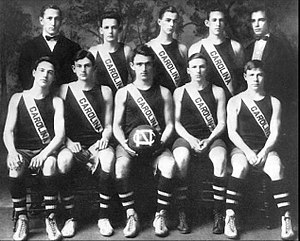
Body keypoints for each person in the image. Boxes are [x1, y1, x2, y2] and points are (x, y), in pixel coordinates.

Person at [224, 60, 295, 240]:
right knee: (239, 167)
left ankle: (286, 218)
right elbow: (232, 133)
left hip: (266, 148)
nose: (256, 78)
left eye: (260, 74)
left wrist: (264, 152)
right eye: (252, 74)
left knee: (277, 168)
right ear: (245, 77)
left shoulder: (274, 102)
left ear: (264, 77)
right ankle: (230, 216)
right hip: (241, 149)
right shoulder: (235, 100)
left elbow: (275, 132)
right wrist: (248, 152)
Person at [3, 56, 72, 241]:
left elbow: (60, 136)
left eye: (50, 72)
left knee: (50, 164)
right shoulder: (18, 98)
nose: (45, 75)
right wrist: (12, 151)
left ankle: (50, 218)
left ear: (54, 78)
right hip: (23, 150)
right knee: (14, 167)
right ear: (34, 73)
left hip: (47, 149)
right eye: (42, 70)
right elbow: (8, 130)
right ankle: (22, 218)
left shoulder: (57, 101)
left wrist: (43, 154)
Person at [113, 45, 176, 238]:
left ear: (153, 66)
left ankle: (160, 215)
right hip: (129, 147)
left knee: (170, 165)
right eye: (139, 64)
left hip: (156, 146)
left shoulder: (164, 92)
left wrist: (161, 144)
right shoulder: (123, 92)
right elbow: (116, 126)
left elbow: (171, 125)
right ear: (132, 66)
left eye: (148, 64)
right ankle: (131, 215)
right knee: (120, 166)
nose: (144, 68)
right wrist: (124, 145)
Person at [58, 50, 115, 237]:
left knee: (108, 158)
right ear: (74, 69)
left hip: (97, 143)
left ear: (94, 68)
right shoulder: (64, 90)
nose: (83, 70)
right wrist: (68, 142)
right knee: (63, 161)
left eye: (87, 66)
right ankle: (70, 217)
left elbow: (108, 125)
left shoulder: (105, 90)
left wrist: (105, 137)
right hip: (71, 144)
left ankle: (103, 217)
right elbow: (56, 125)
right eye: (79, 66)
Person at [172, 53, 227, 234]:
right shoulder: (180, 91)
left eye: (202, 66)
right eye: (194, 67)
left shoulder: (217, 91)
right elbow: (176, 123)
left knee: (220, 160)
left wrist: (209, 139)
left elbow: (221, 123)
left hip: (212, 137)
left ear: (207, 69)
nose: (198, 70)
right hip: (187, 137)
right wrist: (190, 139)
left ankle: (219, 214)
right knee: (181, 158)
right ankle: (183, 213)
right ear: (188, 70)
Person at [245, 4, 297, 161]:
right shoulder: (247, 48)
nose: (257, 24)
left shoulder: (282, 46)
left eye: (261, 20)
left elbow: (291, 79)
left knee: (275, 153)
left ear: (269, 22)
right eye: (253, 21)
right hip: (252, 105)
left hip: (276, 105)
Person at [188, 3, 245, 102]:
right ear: (207, 23)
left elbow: (242, 78)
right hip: (206, 103)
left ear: (225, 23)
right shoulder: (196, 48)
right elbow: (192, 81)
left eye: (221, 20)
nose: (218, 24)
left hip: (231, 101)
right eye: (214, 20)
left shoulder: (236, 47)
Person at [19, 4, 81, 91]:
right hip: (38, 100)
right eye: (49, 18)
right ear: (41, 20)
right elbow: (24, 76)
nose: (53, 23)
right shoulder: (28, 47)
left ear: (61, 21)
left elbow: (78, 76)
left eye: (57, 19)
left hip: (66, 98)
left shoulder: (73, 47)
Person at [146, 6, 189, 94]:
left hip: (178, 98)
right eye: (168, 20)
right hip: (157, 97)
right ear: (159, 22)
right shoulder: (149, 47)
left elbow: (188, 77)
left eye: (175, 21)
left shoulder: (182, 48)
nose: (172, 24)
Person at [89, 11, 132, 96]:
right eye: (106, 27)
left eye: (114, 27)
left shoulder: (126, 51)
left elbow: (135, 78)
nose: (110, 31)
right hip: (100, 100)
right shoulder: (93, 52)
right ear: (101, 30)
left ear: (119, 29)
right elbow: (87, 80)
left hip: (121, 99)